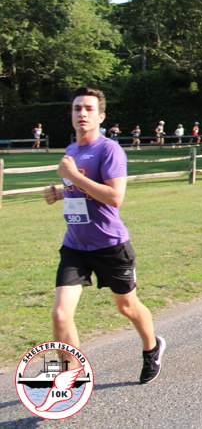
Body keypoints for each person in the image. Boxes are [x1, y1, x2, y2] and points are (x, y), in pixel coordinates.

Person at [42, 87, 165, 384]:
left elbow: (114, 197)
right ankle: (72, 376)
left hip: (110, 245)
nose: (82, 114)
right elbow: (80, 191)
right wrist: (61, 192)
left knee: (127, 307)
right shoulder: (71, 151)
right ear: (71, 115)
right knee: (60, 315)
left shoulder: (109, 150)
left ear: (101, 116)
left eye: (89, 109)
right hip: (75, 246)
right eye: (77, 109)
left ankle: (152, 347)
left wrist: (73, 176)